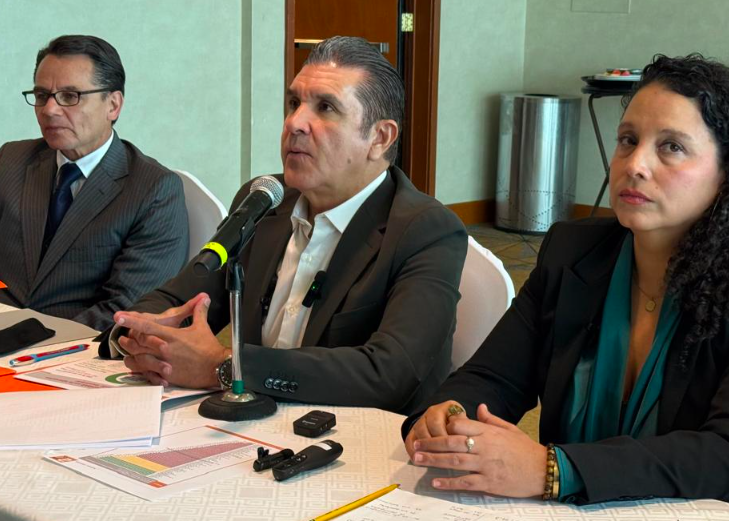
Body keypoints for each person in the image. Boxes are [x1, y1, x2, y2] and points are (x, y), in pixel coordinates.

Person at [402, 54, 729, 521]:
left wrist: (554, 469)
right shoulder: (574, 252)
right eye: (628, 140)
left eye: (671, 147)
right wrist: (449, 413)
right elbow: (495, 377)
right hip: (592, 515)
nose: (635, 165)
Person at [102, 36, 468, 415]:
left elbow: (388, 374)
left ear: (380, 137)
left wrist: (225, 367)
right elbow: (177, 300)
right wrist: (141, 332)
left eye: (325, 108)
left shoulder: (427, 230)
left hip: (359, 438)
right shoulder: (265, 200)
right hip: (254, 425)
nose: (295, 123)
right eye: (294, 103)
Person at [0, 35, 190, 332]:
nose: (49, 110)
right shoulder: (11, 161)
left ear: (113, 105)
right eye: (42, 95)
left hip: (74, 348)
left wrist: (26, 342)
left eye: (69, 96)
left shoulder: (154, 190)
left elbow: (127, 310)